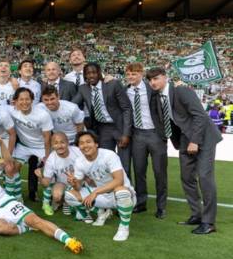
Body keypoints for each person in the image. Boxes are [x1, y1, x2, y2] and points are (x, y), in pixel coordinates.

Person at [0, 137, 83, 254]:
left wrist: (2, 143)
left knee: (37, 221)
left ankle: (69, 240)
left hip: (8, 204)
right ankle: (25, 227)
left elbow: (8, 161)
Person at [146, 67, 222, 234]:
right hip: (185, 139)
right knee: (187, 177)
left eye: (156, 78)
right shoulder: (158, 97)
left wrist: (195, 141)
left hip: (204, 137)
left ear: (165, 78)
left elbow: (200, 116)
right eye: (150, 80)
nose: (153, 82)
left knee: (204, 176)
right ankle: (196, 215)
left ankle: (209, 223)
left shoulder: (181, 91)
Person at [65, 131, 136, 241]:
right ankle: (101, 212)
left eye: (88, 142)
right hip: (102, 195)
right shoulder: (79, 161)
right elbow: (78, 188)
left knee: (121, 190)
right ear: (79, 147)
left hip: (123, 195)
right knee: (70, 195)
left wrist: (95, 192)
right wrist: (74, 183)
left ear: (96, 144)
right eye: (81, 143)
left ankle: (124, 227)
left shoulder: (109, 155)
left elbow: (119, 180)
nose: (85, 145)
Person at [124, 63, 167, 218]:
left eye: (134, 74)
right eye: (128, 74)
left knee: (159, 172)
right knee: (139, 171)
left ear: (141, 74)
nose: (130, 77)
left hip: (155, 134)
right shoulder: (125, 91)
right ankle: (141, 203)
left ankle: (161, 207)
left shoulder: (152, 88)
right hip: (137, 135)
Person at [75, 62, 132, 176]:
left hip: (119, 127)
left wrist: (126, 133)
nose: (91, 76)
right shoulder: (83, 89)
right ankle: (110, 192)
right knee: (105, 164)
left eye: (94, 72)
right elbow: (72, 105)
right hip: (103, 129)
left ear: (99, 73)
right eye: (88, 73)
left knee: (124, 166)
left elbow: (126, 108)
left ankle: (127, 192)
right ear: (85, 76)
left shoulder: (113, 84)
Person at [8, 87, 53, 201]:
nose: (24, 102)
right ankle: (17, 198)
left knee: (49, 173)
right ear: (16, 101)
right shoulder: (11, 110)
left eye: (27, 99)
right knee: (12, 169)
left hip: (41, 147)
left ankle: (49, 201)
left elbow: (47, 138)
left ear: (32, 100)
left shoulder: (42, 115)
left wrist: (47, 157)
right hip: (24, 146)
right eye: (21, 100)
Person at [34, 132, 82, 216]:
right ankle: (64, 201)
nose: (59, 146)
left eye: (62, 142)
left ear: (67, 143)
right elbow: (46, 184)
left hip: (79, 181)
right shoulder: (51, 160)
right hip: (62, 183)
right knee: (56, 196)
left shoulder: (77, 151)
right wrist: (40, 177)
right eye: (56, 143)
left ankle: (70, 201)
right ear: (52, 145)